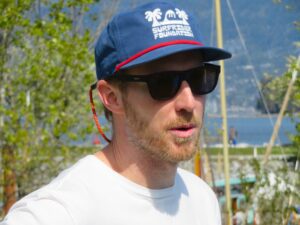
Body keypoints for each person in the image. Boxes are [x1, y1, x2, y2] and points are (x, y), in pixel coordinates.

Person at [1, 2, 231, 225]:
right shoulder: (56, 213)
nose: (188, 102)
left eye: (200, 78)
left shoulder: (201, 199)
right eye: (163, 83)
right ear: (111, 97)